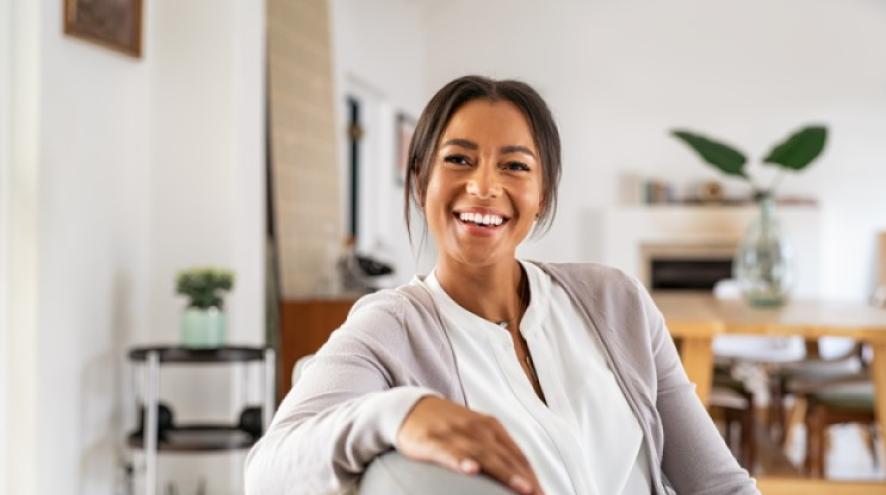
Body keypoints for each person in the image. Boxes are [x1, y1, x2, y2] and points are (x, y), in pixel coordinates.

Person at [244, 76, 759, 495]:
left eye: (515, 166)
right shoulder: (391, 327)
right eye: (459, 159)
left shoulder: (617, 301)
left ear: (542, 192)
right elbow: (266, 473)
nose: (485, 187)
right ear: (421, 180)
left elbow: (718, 484)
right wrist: (400, 412)